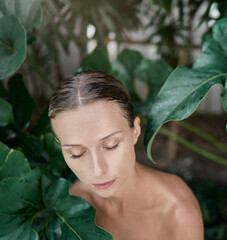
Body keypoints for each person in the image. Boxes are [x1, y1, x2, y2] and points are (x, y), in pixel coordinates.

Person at [48, 70, 204, 240]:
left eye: (110, 145)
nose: (98, 170)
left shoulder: (178, 212)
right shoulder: (74, 203)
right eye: (76, 154)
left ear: (135, 130)